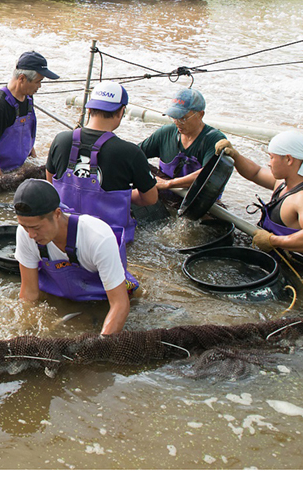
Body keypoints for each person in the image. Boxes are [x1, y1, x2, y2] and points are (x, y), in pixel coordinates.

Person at [13, 178, 136, 335]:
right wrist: (24, 331)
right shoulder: (26, 234)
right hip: (60, 297)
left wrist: (101, 343)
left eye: (36, 227)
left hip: (101, 301)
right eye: (25, 227)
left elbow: (119, 304)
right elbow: (29, 293)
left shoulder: (98, 238)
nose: (30, 235)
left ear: (57, 214)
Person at [45, 80, 158, 245]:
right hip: (108, 242)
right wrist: (124, 196)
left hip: (63, 236)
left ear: (89, 109)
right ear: (121, 111)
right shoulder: (130, 152)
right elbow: (150, 198)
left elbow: (50, 184)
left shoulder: (61, 140)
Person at [215, 130, 303, 258]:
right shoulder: (283, 183)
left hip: (300, 264)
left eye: (272, 157)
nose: (269, 163)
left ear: (289, 159)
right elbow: (256, 172)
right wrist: (236, 156)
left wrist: (271, 240)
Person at [0, 51, 59, 176]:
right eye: (38, 81)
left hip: (16, 164)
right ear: (22, 78)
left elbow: (26, 134)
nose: (40, 86)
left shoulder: (28, 98)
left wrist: (34, 159)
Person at [138, 86, 226, 191]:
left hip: (196, 201)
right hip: (167, 196)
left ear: (200, 115)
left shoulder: (214, 140)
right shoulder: (165, 133)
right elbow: (135, 154)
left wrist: (169, 184)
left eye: (183, 118)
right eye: (174, 117)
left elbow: (209, 174)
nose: (177, 122)